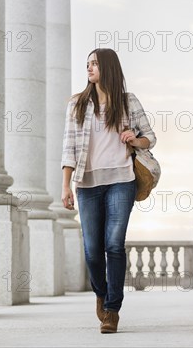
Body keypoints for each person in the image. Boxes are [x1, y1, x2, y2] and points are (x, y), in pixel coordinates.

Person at [61, 48, 156, 334]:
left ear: (109, 68)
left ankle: (112, 310)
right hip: (87, 185)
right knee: (92, 250)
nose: (89, 68)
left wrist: (134, 139)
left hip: (121, 181)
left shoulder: (128, 102)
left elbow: (150, 138)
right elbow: (69, 147)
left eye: (94, 64)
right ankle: (101, 294)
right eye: (87, 63)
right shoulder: (77, 104)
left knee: (113, 244)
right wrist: (65, 185)